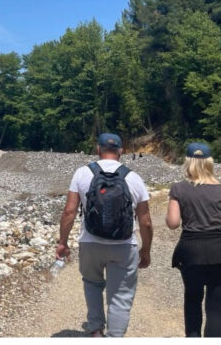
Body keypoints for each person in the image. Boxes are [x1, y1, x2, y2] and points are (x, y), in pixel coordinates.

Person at [57, 133, 153, 338]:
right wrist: (145, 250)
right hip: (124, 245)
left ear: (98, 149)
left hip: (90, 242)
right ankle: (115, 336)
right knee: (121, 294)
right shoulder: (134, 178)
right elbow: (145, 221)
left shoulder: (82, 174)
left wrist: (62, 243)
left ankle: (95, 330)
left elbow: (69, 212)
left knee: (92, 283)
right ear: (121, 151)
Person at [167, 143, 221, 337]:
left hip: (191, 252)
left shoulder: (178, 189)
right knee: (216, 310)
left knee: (193, 301)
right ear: (210, 163)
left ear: (188, 162)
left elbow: (173, 223)